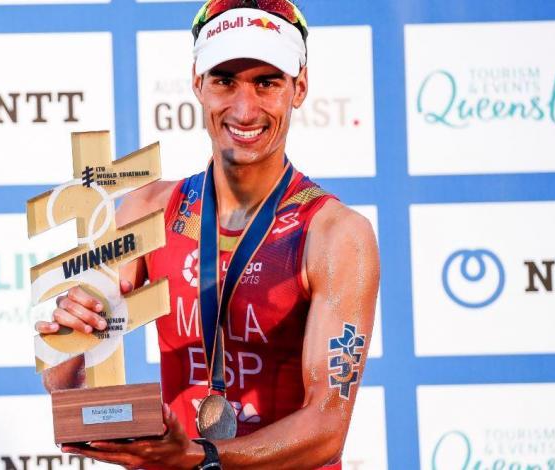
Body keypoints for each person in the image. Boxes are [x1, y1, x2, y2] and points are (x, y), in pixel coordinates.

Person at [35, 1, 379, 468]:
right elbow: (64, 387)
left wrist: (199, 456)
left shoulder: (336, 234)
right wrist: (69, 337)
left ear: (299, 88)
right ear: (197, 82)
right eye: (225, 80)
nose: (244, 108)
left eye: (266, 82)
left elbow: (327, 429)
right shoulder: (148, 210)